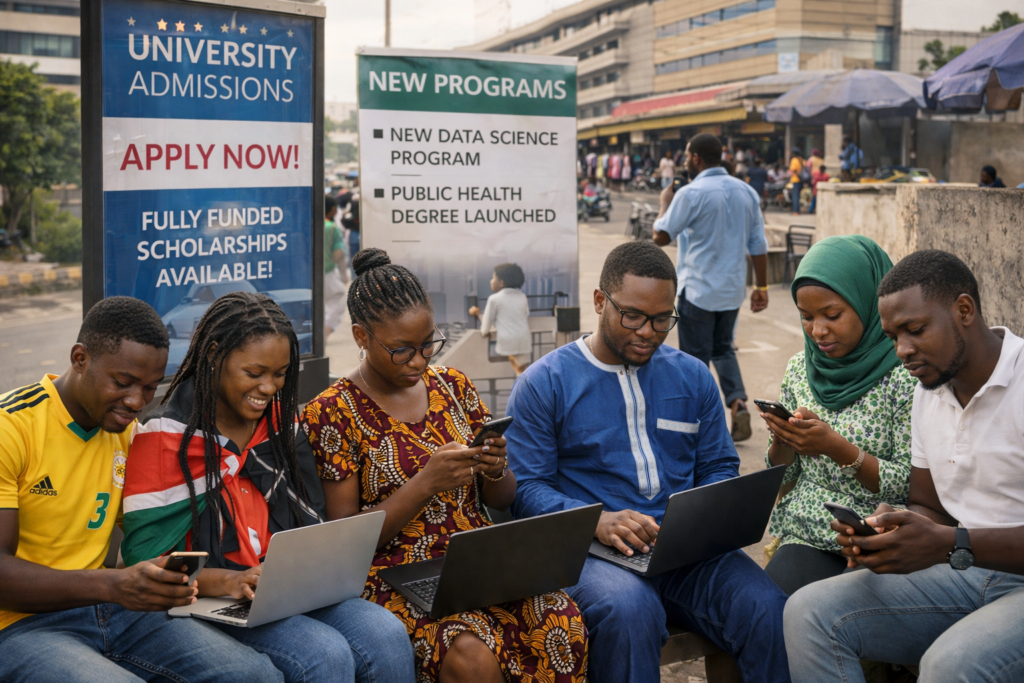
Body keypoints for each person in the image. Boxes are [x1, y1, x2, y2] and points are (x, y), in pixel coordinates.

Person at [505, 241, 790, 683]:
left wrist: (705, 514)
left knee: (767, 610)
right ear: (600, 301)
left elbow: (718, 465)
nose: (648, 332)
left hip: (685, 552)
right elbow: (526, 490)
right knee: (630, 611)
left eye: (662, 319)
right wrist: (596, 520)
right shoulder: (545, 384)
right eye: (633, 316)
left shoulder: (693, 375)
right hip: (593, 555)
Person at [303, 249, 589, 683]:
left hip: (477, 564)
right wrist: (424, 483)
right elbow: (343, 539)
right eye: (402, 350)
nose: (419, 361)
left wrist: (495, 467)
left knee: (561, 621)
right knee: (469, 656)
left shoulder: (452, 386)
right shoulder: (332, 411)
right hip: (393, 575)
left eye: (427, 344)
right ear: (361, 337)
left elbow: (503, 497)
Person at [121, 291, 414, 683]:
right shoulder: (167, 436)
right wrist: (228, 581)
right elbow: (146, 561)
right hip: (209, 597)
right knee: (323, 655)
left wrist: (295, 572)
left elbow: (309, 519)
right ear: (213, 355)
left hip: (284, 587)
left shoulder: (278, 423)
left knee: (386, 633)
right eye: (254, 373)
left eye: (280, 374)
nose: (269, 387)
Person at [0, 297, 282, 683]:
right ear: (80, 359)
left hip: (106, 608)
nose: (136, 401)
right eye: (122, 382)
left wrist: (221, 579)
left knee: (254, 674)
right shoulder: (11, 428)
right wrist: (112, 584)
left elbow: (147, 547)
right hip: (18, 626)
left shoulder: (128, 434)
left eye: (150, 387)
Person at [785, 250, 1024, 683]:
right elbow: (928, 505)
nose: (902, 351)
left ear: (964, 310)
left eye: (915, 330)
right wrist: (891, 530)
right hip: (966, 571)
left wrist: (951, 544)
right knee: (809, 611)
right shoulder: (927, 391)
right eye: (893, 336)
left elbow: (950, 538)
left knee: (950, 665)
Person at [759, 236, 914, 596]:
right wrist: (784, 439)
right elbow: (783, 479)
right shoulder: (801, 369)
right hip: (808, 532)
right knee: (765, 611)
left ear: (868, 303)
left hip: (878, 533)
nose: (818, 331)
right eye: (806, 317)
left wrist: (837, 448)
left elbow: (912, 484)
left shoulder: (906, 376)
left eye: (832, 315)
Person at [653, 133, 770, 443]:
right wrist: (762, 286)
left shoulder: (691, 193)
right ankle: (738, 402)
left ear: (695, 159)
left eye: (687, 156)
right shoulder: (747, 192)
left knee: (693, 361)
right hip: (731, 292)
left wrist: (664, 205)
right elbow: (758, 244)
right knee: (722, 348)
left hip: (698, 291)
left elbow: (660, 237)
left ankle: (700, 425)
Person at [468, 263, 532, 376]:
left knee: (520, 373)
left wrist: (477, 314)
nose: (491, 281)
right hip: (524, 340)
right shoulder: (522, 297)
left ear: (501, 283)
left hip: (508, 342)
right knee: (522, 371)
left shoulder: (494, 299)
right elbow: (524, 314)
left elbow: (484, 330)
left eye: (493, 278)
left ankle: (526, 392)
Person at [324, 195, 349, 340]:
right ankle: (325, 332)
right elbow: (339, 252)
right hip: (327, 272)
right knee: (338, 299)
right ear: (333, 209)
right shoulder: (332, 227)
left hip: (308, 273)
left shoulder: (308, 223)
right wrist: (343, 273)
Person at [789, 148, 807, 215]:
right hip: (802, 180)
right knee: (799, 196)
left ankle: (795, 211)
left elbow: (793, 169)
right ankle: (798, 210)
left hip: (796, 180)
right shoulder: (803, 160)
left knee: (795, 196)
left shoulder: (794, 160)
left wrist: (797, 175)